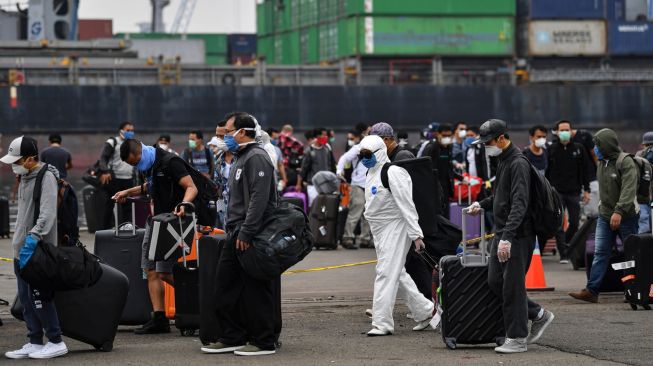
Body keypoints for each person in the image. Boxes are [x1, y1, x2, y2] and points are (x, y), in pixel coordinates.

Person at [468, 119, 554, 354]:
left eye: (488, 142)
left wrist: (507, 237)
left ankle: (517, 338)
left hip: (517, 234)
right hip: (504, 232)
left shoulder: (517, 163)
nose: (486, 147)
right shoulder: (503, 160)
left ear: (502, 139)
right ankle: (538, 314)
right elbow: (501, 196)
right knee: (496, 280)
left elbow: (519, 203)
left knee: (512, 287)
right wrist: (482, 204)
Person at [202, 112, 278, 356]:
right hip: (234, 231)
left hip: (249, 234)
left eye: (227, 132)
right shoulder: (240, 157)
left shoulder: (256, 157)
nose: (224, 137)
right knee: (225, 285)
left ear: (242, 132)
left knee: (256, 289)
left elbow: (258, 198)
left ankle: (264, 341)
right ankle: (232, 335)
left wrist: (247, 232)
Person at [113, 139, 198, 334]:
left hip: (173, 223)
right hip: (156, 222)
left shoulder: (170, 161)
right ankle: (159, 319)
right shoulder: (149, 166)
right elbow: (148, 186)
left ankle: (199, 300)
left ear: (139, 152)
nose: (136, 166)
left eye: (135, 162)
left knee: (165, 272)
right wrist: (127, 191)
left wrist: (184, 204)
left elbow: (191, 187)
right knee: (150, 269)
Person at [358, 135, 434, 336]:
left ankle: (381, 323)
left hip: (395, 226)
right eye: (361, 155)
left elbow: (406, 205)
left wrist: (416, 234)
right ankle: (426, 311)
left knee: (385, 272)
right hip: (379, 231)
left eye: (367, 154)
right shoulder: (370, 173)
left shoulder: (392, 172)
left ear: (380, 152)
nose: (364, 158)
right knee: (397, 274)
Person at [3, 136, 68, 359]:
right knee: (26, 298)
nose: (14, 165)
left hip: (36, 251)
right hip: (20, 250)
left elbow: (48, 214)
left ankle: (56, 340)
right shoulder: (25, 177)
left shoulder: (46, 176)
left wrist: (33, 238)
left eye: (17, 160)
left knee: (41, 297)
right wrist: (20, 245)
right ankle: (35, 341)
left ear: (30, 159)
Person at [569, 129, 640, 303]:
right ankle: (592, 291)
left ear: (607, 145)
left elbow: (628, 190)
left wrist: (619, 212)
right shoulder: (602, 162)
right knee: (601, 252)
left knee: (631, 254)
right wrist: (604, 210)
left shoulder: (626, 162)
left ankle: (632, 290)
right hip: (605, 215)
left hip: (627, 216)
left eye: (598, 145)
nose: (595, 148)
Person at [370, 122, 432, 302]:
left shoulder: (401, 156)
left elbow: (407, 195)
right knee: (402, 265)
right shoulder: (387, 158)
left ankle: (427, 303)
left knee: (411, 263)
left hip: (407, 220)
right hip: (401, 221)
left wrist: (414, 228)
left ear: (388, 140)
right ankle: (420, 305)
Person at [546, 121, 591, 264]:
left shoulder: (579, 149)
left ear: (571, 131)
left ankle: (567, 244)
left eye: (567, 129)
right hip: (557, 192)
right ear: (557, 132)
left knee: (575, 222)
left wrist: (587, 190)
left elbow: (585, 170)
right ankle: (563, 253)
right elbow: (547, 171)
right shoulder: (551, 149)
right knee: (558, 223)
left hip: (574, 191)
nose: (564, 132)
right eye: (561, 130)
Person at [336, 130, 372, 250]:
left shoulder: (379, 148)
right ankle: (347, 238)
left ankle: (365, 239)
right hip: (358, 184)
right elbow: (344, 158)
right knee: (356, 210)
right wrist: (339, 170)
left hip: (371, 185)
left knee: (369, 213)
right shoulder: (358, 148)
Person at [98, 121, 137, 229]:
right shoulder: (113, 142)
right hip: (114, 179)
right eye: (128, 130)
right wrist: (105, 171)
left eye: (132, 130)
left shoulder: (133, 143)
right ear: (121, 131)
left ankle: (127, 229)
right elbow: (103, 157)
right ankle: (105, 229)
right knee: (109, 205)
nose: (130, 132)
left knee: (128, 206)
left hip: (128, 179)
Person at [420, 124, 458, 212]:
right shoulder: (431, 148)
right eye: (444, 135)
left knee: (446, 215)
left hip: (446, 189)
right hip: (433, 189)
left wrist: (461, 178)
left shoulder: (449, 148)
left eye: (449, 135)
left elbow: (449, 168)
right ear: (438, 134)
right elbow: (423, 167)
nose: (447, 138)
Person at [296, 128, 336, 206]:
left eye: (326, 135)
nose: (325, 137)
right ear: (317, 136)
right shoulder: (309, 151)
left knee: (326, 206)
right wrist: (298, 184)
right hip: (312, 185)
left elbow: (331, 166)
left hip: (326, 184)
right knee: (314, 206)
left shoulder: (327, 149)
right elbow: (303, 169)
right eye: (323, 135)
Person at [211, 120, 234, 230]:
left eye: (222, 136)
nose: (219, 139)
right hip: (224, 210)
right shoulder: (218, 159)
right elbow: (217, 184)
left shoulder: (243, 157)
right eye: (217, 136)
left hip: (241, 210)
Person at [636, 131, 653, 233]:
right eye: (648, 145)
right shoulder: (639, 157)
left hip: (645, 196)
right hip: (643, 196)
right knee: (643, 223)